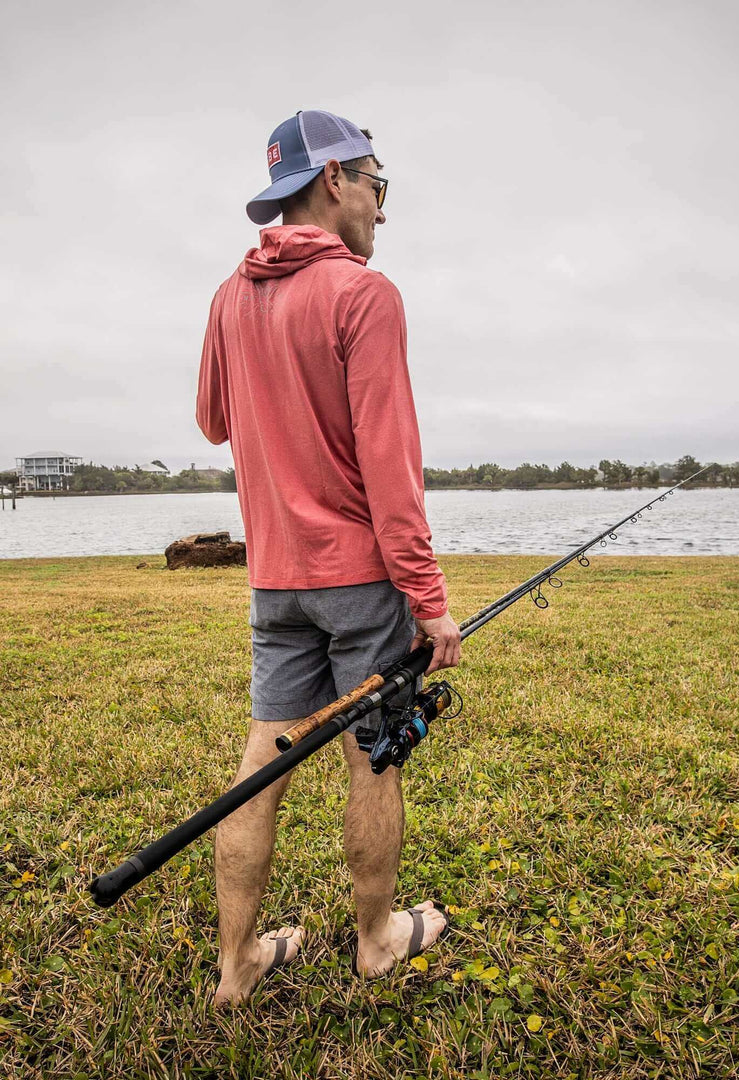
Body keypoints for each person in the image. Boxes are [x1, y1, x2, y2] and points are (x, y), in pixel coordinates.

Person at [196, 109, 460, 1004]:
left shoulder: (231, 294)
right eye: (377, 186)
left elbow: (214, 420)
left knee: (259, 766)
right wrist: (430, 602)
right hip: (357, 582)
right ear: (335, 180)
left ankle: (236, 967)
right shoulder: (363, 294)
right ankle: (377, 941)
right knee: (372, 759)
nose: (383, 211)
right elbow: (392, 472)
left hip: (275, 579)